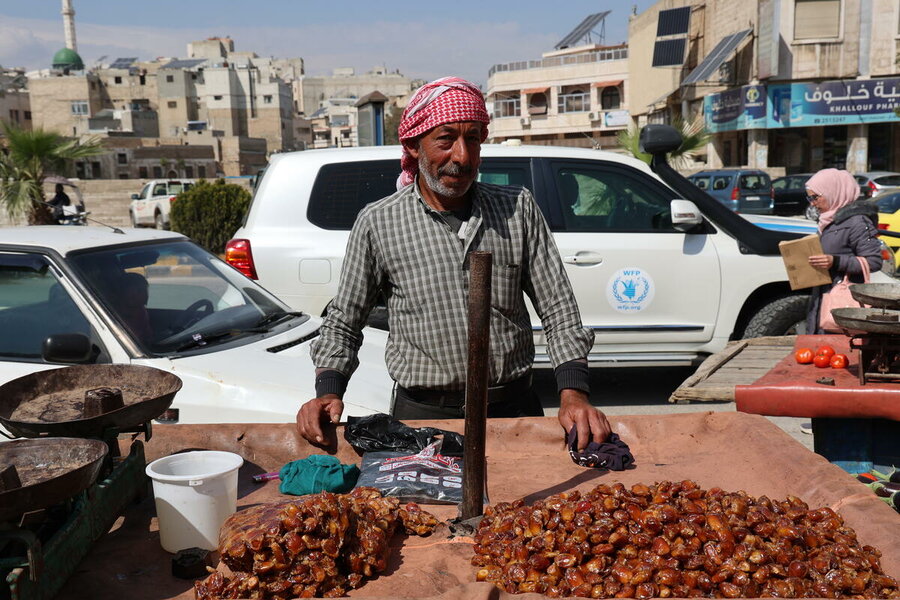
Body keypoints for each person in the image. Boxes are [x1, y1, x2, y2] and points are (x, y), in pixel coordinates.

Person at [296, 76, 611, 451]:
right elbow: (344, 322)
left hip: (513, 410)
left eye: (473, 139)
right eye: (446, 139)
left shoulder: (518, 209)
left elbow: (559, 310)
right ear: (414, 145)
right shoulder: (378, 222)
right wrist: (329, 390)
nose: (462, 157)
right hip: (423, 416)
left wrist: (573, 393)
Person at [805, 168, 882, 334]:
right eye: (809, 198)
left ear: (834, 192)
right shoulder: (827, 221)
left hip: (844, 303)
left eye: (815, 197)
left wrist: (836, 261)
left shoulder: (858, 222)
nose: (812, 203)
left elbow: (874, 261)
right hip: (823, 298)